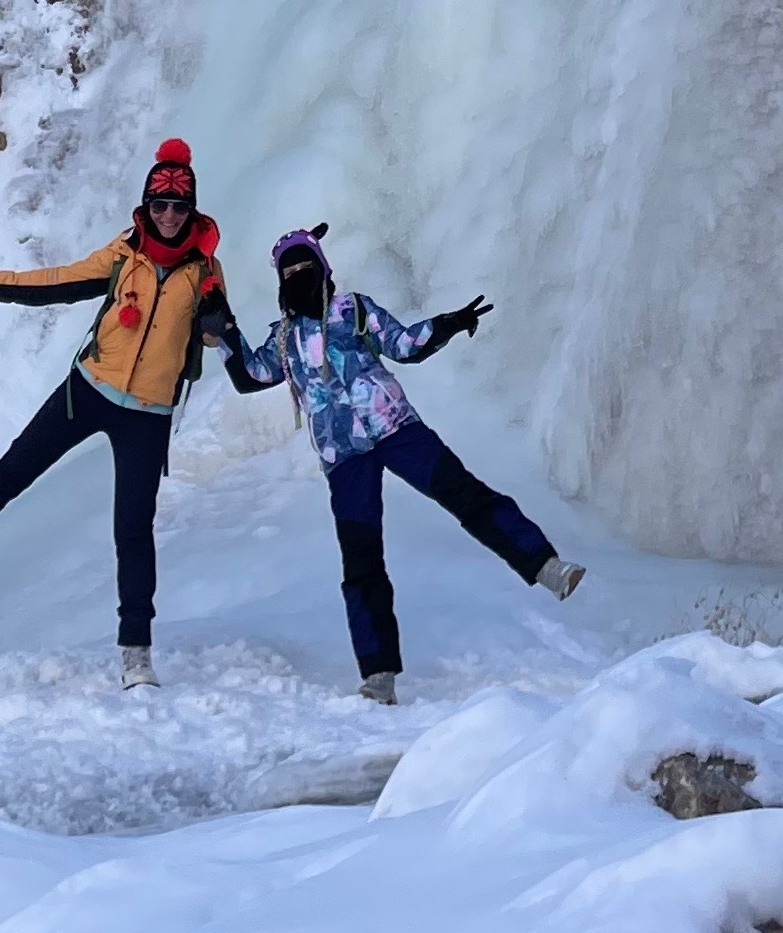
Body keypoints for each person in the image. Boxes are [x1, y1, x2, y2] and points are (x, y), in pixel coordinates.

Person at [0, 138, 232, 688]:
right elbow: (62, 281)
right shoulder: (124, 252)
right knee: (11, 473)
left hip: (147, 414)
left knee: (132, 529)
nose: (167, 215)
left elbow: (215, 335)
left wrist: (217, 322)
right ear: (146, 206)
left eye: (177, 206)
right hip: (87, 389)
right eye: (158, 205)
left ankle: (136, 654)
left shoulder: (206, 270)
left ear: (192, 211)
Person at [225, 223, 582, 703]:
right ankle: (378, 676)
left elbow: (404, 345)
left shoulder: (352, 310)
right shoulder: (284, 340)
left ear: (323, 269)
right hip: (343, 455)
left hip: (396, 428)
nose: (298, 276)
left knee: (466, 495)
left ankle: (547, 566)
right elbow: (252, 376)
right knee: (362, 559)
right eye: (288, 271)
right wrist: (223, 330)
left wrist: (446, 325)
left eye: (305, 266)